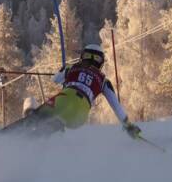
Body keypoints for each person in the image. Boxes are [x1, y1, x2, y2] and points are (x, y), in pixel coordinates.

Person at [8, 45, 142, 139]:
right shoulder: (103, 80)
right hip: (80, 116)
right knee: (56, 123)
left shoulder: (71, 67)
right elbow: (116, 106)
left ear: (82, 57)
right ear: (100, 62)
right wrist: (128, 125)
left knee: (36, 115)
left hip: (64, 99)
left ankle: (29, 120)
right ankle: (51, 129)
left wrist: (65, 70)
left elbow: (55, 79)